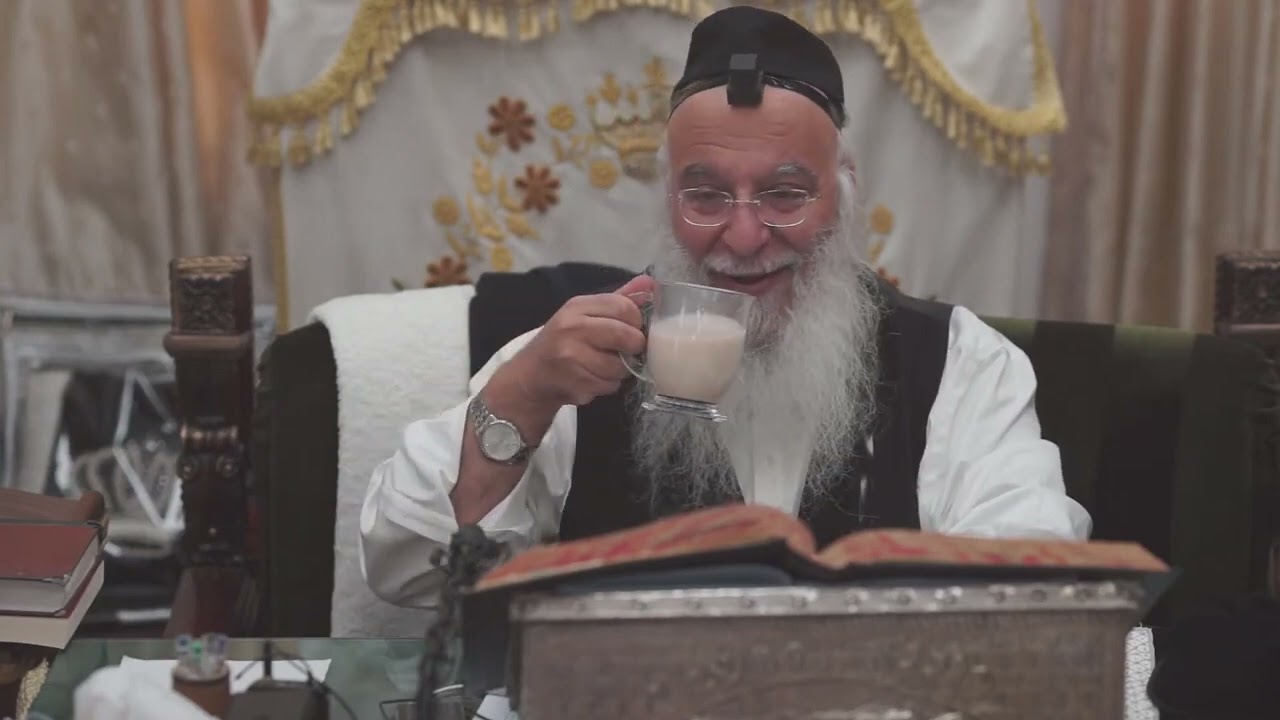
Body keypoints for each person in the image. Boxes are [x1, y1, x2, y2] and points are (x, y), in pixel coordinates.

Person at [359, 6, 1091, 606]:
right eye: (707, 196)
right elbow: (407, 566)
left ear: (844, 194)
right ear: (668, 200)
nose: (743, 237)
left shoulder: (957, 361)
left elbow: (1032, 587)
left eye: (785, 193)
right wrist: (520, 398)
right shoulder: (577, 359)